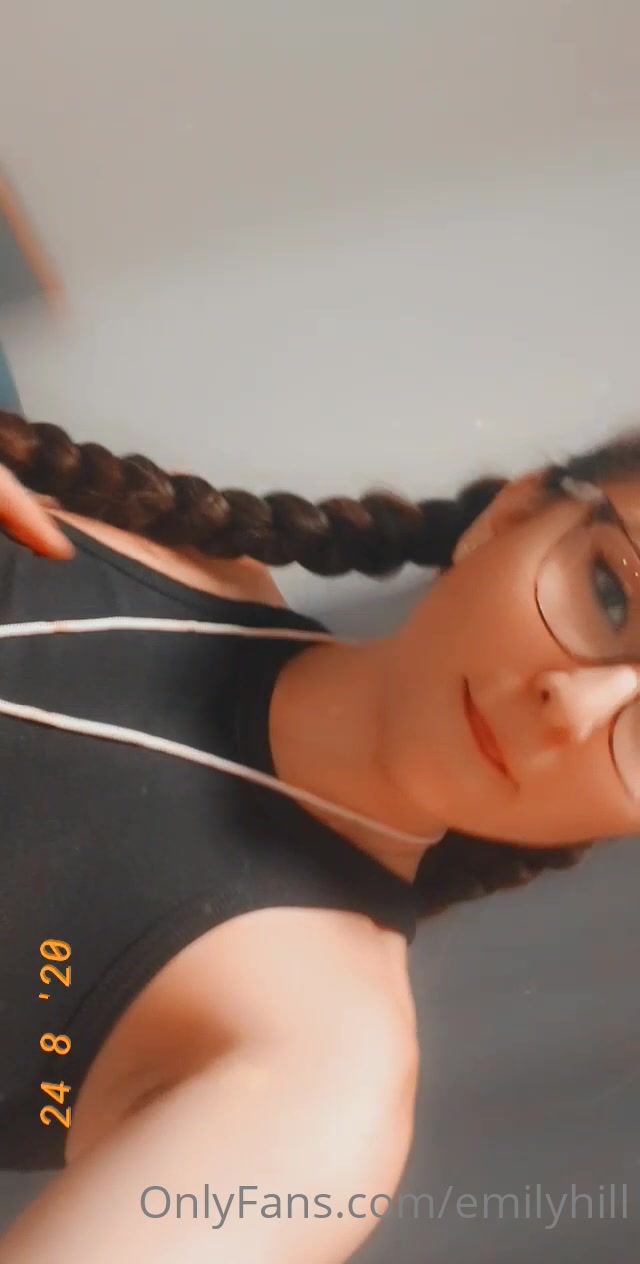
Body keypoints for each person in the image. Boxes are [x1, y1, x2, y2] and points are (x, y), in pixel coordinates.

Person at [0, 406, 636, 1264]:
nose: (574, 706)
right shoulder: (174, 542)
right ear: (512, 515)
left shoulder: (320, 1086)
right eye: (611, 594)